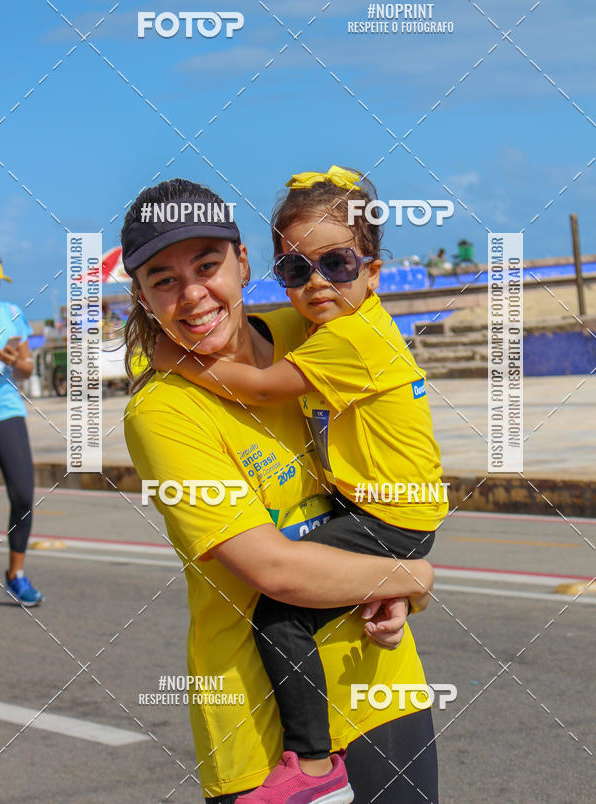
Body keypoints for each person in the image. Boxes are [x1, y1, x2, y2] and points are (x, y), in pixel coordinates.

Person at [122, 179, 439, 804]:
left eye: (207, 266)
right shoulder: (162, 413)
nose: (193, 294)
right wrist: (411, 578)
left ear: (243, 264)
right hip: (261, 728)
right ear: (142, 296)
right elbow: (273, 569)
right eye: (164, 279)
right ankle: (312, 762)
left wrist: (390, 584)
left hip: (379, 681)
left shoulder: (317, 329)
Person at [0, 253, 42, 605]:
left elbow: (27, 367)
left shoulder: (11, 313)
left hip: (6, 411)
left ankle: (16, 575)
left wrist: (15, 361)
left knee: (24, 494)